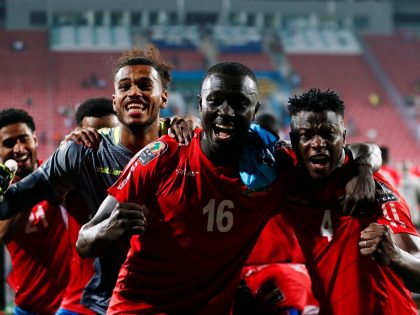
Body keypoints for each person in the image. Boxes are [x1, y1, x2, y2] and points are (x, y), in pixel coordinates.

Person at [78, 62, 379, 314]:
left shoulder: (276, 164)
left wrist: (364, 170)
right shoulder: (162, 156)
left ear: (254, 110)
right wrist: (107, 231)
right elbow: (84, 241)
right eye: (215, 101)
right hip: (141, 307)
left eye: (239, 103)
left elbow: (363, 150)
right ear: (200, 105)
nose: (226, 112)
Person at [0, 45, 195, 315]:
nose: (134, 92)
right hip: (110, 303)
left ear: (163, 97)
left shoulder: (188, 147)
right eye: (125, 87)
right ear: (115, 100)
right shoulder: (81, 152)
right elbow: (10, 202)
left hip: (180, 299)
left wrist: (195, 125)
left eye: (144, 85)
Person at [277, 88, 420, 314]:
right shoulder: (287, 176)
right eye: (307, 135)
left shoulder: (373, 189)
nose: (318, 143)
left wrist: (395, 256)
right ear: (293, 140)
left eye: (328, 133)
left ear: (343, 137)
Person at [233, 113, 318, 315]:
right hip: (252, 272)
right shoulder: (234, 166)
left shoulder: (291, 165)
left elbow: (363, 153)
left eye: (269, 138)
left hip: (285, 271)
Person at [0, 108, 71, 315]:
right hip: (28, 307)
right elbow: (3, 234)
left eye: (24, 139)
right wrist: (31, 190)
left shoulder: (57, 177)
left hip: (70, 304)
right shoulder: (3, 195)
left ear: (35, 140)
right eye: (9, 144)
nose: (19, 148)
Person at [58, 97, 119, 315]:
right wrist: (65, 149)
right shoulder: (73, 173)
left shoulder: (137, 172)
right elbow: (56, 188)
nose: (102, 145)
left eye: (109, 135)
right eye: (92, 136)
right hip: (80, 304)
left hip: (128, 300)